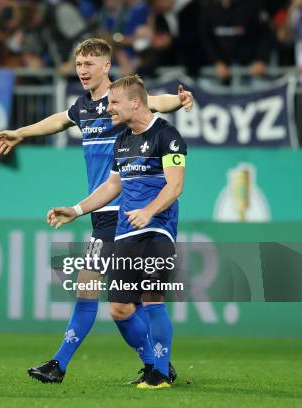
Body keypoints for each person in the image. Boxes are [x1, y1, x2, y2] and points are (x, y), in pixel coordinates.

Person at [0, 38, 191, 384]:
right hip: (101, 209)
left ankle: (65, 363)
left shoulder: (121, 101)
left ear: (106, 67)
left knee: (104, 292)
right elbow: (56, 120)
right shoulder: (84, 108)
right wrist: (21, 133)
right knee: (114, 300)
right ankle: (154, 362)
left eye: (88, 64)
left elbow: (155, 103)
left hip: (124, 212)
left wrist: (180, 99)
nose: (82, 70)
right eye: (79, 64)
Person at [46, 74, 187, 389]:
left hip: (157, 230)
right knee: (120, 308)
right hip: (124, 233)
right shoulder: (123, 140)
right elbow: (112, 186)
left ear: (135, 102)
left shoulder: (168, 136)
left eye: (113, 102)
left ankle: (160, 373)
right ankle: (153, 364)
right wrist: (77, 209)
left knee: (152, 298)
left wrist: (150, 212)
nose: (108, 108)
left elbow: (175, 185)